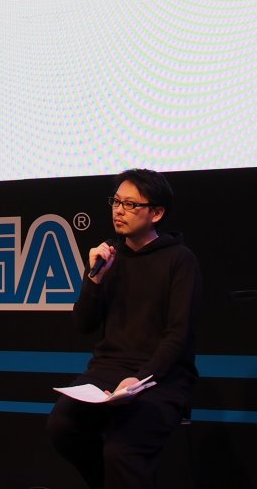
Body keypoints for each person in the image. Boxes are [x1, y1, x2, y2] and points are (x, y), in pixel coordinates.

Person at [47, 168, 202, 489]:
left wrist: (140, 378)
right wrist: (93, 279)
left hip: (160, 377)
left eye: (131, 205)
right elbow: (84, 324)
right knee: (62, 425)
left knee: (122, 451)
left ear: (156, 213)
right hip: (107, 370)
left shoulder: (180, 260)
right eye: (116, 202)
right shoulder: (109, 256)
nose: (119, 211)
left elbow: (178, 334)